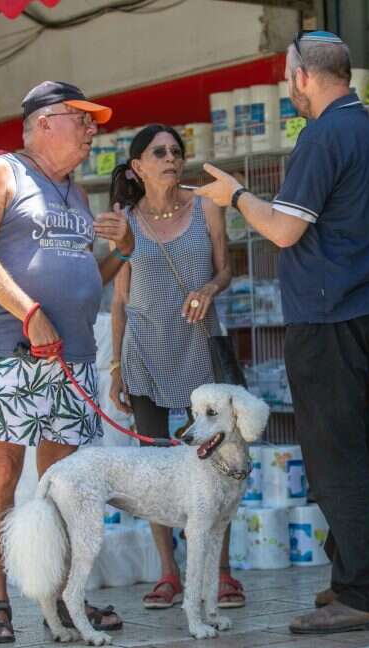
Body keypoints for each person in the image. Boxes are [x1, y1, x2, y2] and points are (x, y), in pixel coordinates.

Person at [195, 31, 369, 634]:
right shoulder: (365, 129)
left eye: (289, 78)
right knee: (348, 449)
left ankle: (363, 592)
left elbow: (283, 230)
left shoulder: (324, 135)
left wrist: (234, 195)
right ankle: (348, 579)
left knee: (335, 457)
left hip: (329, 317)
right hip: (363, 313)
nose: (289, 89)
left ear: (303, 75)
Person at [0, 81, 133, 644]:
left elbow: (88, 280)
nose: (92, 130)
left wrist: (123, 252)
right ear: (42, 123)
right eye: (81, 119)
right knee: (4, 475)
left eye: (92, 121)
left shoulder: (77, 195)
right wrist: (30, 312)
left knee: (62, 484)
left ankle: (64, 598)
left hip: (73, 359)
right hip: (11, 352)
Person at [106, 124, 245, 610]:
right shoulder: (126, 218)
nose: (170, 158)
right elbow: (120, 300)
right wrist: (116, 365)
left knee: (216, 461)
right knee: (154, 466)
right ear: (137, 166)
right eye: (158, 152)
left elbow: (226, 269)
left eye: (176, 151)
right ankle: (169, 573)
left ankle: (221, 572)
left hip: (199, 347)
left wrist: (208, 290)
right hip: (145, 352)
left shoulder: (206, 205)